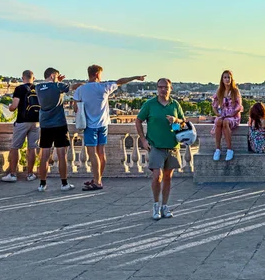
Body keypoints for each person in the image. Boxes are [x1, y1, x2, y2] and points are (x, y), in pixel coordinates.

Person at [73, 65, 146, 191]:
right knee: (101, 153)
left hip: (89, 125)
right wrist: (135, 77)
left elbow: (75, 108)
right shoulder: (104, 87)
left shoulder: (81, 89)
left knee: (93, 154)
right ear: (97, 74)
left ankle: (97, 181)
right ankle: (98, 179)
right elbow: (120, 81)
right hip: (103, 124)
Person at [135, 78, 185, 220]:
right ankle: (156, 205)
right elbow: (138, 120)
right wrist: (143, 139)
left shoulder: (175, 104)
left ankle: (165, 205)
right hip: (155, 145)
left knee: (168, 177)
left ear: (171, 88)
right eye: (160, 87)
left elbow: (183, 121)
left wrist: (176, 120)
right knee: (157, 175)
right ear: (157, 88)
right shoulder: (149, 104)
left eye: (166, 87)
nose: (163, 90)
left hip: (172, 145)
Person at [36, 67, 82, 192]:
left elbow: (50, 88)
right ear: (52, 75)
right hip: (59, 124)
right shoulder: (58, 86)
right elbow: (72, 87)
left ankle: (42, 184)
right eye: (56, 76)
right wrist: (85, 83)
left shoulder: (38, 87)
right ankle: (64, 183)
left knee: (44, 156)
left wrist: (57, 81)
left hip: (45, 125)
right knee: (62, 155)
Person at [2, 70, 40, 182]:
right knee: (32, 148)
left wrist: (9, 107)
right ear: (34, 78)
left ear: (23, 78)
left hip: (22, 121)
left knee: (15, 147)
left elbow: (14, 106)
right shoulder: (37, 89)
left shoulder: (19, 89)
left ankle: (13, 174)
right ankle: (30, 174)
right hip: (36, 122)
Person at [211, 70, 243, 162]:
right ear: (222, 79)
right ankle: (218, 149)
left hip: (234, 116)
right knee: (218, 121)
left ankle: (229, 149)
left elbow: (238, 107)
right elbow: (214, 105)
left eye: (229, 77)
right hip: (223, 115)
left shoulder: (235, 91)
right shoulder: (219, 91)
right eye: (225, 77)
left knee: (225, 122)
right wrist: (218, 114)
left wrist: (229, 115)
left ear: (231, 79)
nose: (227, 79)